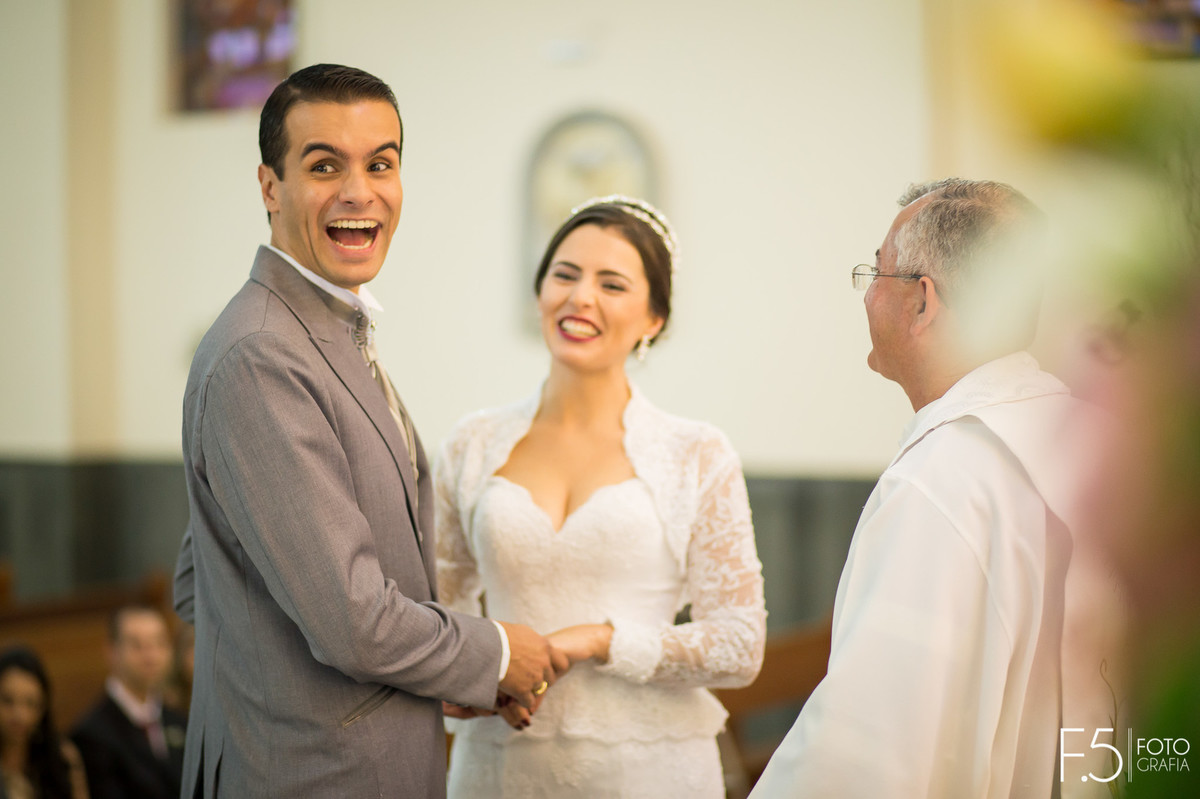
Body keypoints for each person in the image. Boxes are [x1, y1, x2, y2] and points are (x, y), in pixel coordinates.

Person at [173, 63, 565, 798]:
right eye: (325, 165)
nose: (360, 191)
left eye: (381, 163)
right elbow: (352, 621)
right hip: (309, 773)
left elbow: (203, 579)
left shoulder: (325, 327)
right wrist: (494, 653)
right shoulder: (262, 354)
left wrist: (432, 673)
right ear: (269, 187)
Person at [752, 179, 1089, 796]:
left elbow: (870, 744)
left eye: (875, 272)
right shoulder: (1083, 441)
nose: (865, 297)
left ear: (922, 301)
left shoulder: (943, 477)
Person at [435, 195, 768, 798]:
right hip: (500, 766)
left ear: (653, 320)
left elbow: (739, 645)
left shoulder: (696, 453)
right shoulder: (472, 443)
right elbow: (436, 614)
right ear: (540, 292)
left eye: (611, 284)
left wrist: (595, 640)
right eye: (564, 274)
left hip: (650, 769)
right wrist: (479, 679)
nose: (580, 297)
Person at [70, 605, 186, 799]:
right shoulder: (91, 735)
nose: (151, 656)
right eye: (137, 645)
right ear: (111, 651)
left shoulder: (181, 722)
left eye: (159, 643)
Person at [0, 647, 88, 799]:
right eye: (8, 701)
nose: (19, 716)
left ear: (43, 707)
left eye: (30, 703)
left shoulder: (62, 758)